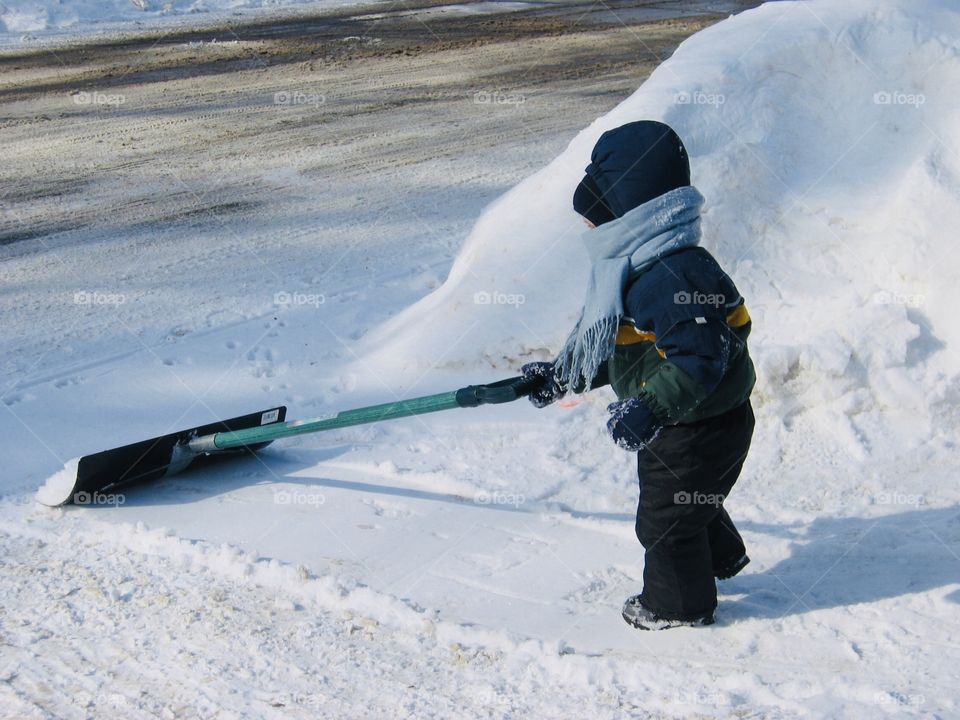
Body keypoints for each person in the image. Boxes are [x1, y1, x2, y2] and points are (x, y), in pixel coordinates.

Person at [522, 120, 756, 630]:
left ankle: (678, 606)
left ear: (627, 213)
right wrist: (565, 376)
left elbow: (701, 356)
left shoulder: (670, 276)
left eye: (596, 217)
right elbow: (633, 351)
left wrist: (650, 407)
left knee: (665, 521)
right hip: (697, 418)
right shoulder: (644, 264)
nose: (588, 229)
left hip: (696, 425)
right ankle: (719, 561)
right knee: (691, 500)